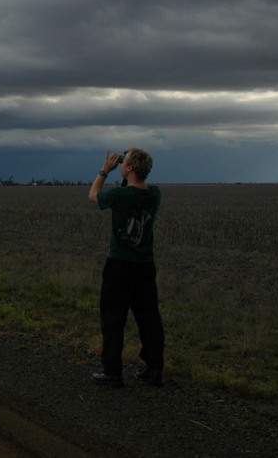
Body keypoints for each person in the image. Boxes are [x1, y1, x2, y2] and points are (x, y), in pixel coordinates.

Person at [88, 148, 165, 387]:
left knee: (113, 319)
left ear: (129, 168)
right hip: (144, 265)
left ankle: (112, 372)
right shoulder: (155, 194)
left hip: (119, 265)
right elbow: (131, 191)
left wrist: (105, 170)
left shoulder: (119, 197)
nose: (121, 165)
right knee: (149, 318)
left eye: (125, 162)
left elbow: (94, 195)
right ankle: (154, 369)